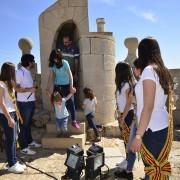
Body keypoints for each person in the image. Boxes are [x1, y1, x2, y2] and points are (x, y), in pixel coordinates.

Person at [131, 37, 174, 180]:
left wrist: (138, 136)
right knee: (159, 171)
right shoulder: (163, 70)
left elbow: (148, 107)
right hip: (162, 127)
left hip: (151, 130)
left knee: (153, 171)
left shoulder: (149, 70)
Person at [0, 62, 26, 173]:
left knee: (14, 139)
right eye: (13, 70)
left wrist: (17, 115)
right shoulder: (1, 84)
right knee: (10, 140)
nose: (15, 72)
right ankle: (11, 164)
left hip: (13, 113)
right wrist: (9, 118)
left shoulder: (9, 83)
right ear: (9, 71)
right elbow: (1, 103)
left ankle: (14, 161)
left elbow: (12, 101)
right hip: (7, 114)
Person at [46, 49, 80, 129]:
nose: (55, 60)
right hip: (57, 87)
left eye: (56, 58)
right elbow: (51, 77)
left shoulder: (65, 62)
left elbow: (70, 75)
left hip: (67, 86)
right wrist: (47, 87)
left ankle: (74, 121)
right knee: (57, 104)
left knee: (71, 103)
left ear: (59, 56)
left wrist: (71, 86)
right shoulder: (52, 65)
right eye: (53, 58)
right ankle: (59, 120)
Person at [114, 62, 136, 179]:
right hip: (123, 114)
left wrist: (123, 117)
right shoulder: (122, 85)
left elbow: (129, 103)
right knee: (126, 140)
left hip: (128, 115)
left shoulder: (127, 85)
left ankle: (129, 171)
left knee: (129, 141)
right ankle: (127, 162)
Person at [16, 54, 41, 156]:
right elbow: (16, 88)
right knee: (23, 125)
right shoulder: (19, 72)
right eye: (32, 61)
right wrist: (30, 90)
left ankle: (30, 142)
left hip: (30, 101)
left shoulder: (27, 72)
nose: (34, 63)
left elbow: (26, 87)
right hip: (24, 103)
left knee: (28, 124)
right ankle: (24, 147)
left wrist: (33, 90)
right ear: (29, 62)